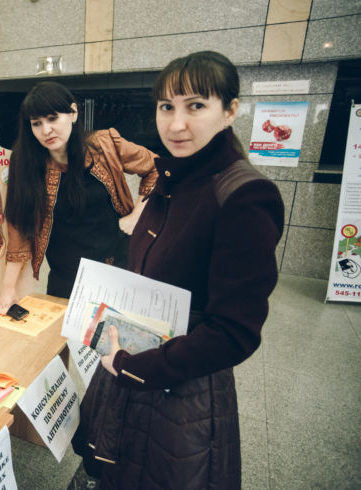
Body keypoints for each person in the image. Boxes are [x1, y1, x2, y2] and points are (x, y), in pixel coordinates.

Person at [72, 51, 285, 488]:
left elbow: (234, 332)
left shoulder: (243, 196)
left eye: (196, 106)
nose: (176, 124)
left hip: (179, 385)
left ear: (230, 111)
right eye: (167, 106)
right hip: (134, 364)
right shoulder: (174, 179)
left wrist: (135, 367)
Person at [0, 81, 158, 312]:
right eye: (37, 123)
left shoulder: (104, 145)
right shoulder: (27, 165)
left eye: (53, 118)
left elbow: (157, 168)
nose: (46, 130)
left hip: (118, 266)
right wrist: (8, 287)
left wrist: (137, 216)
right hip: (67, 279)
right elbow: (20, 228)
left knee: (116, 343)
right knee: (66, 345)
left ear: (73, 112)